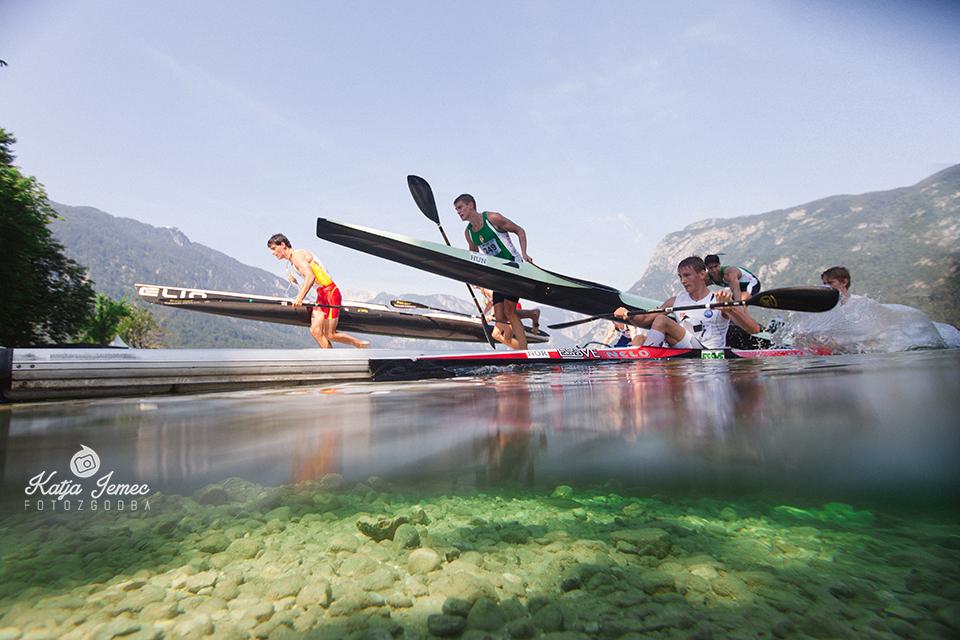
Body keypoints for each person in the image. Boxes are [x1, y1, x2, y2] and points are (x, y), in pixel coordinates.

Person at [614, 256, 762, 349]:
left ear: (702, 274)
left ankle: (647, 361)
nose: (683, 281)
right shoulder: (675, 301)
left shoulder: (718, 300)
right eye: (680, 277)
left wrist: (729, 308)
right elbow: (645, 319)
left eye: (687, 275)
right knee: (639, 338)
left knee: (662, 320)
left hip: (709, 354)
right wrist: (627, 315)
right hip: (687, 349)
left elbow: (753, 329)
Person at [456, 194, 532, 350]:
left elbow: (520, 230)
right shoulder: (468, 233)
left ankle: (525, 351)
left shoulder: (492, 218)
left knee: (510, 311)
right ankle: (521, 349)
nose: (458, 212)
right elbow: (474, 256)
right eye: (456, 210)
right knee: (499, 322)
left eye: (460, 207)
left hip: (513, 268)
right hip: (497, 274)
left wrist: (524, 254)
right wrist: (472, 276)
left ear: (470, 205)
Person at [267, 233, 369, 349]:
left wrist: (300, 298)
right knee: (315, 331)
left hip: (330, 293)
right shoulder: (292, 261)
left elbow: (310, 277)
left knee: (330, 334)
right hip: (321, 295)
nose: (272, 253)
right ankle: (330, 357)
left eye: (274, 248)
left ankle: (360, 344)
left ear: (283, 245)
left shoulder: (297, 256)